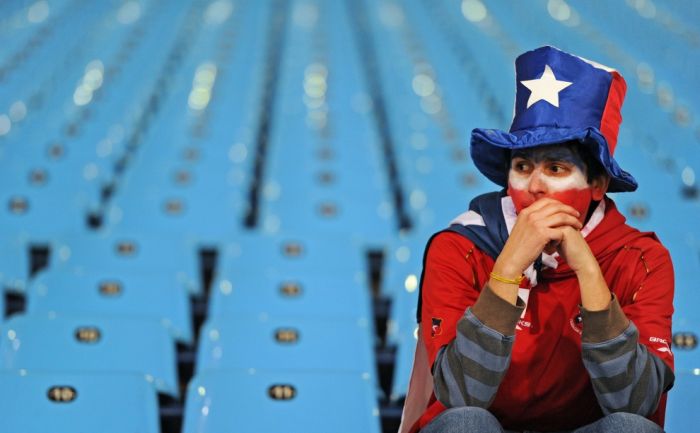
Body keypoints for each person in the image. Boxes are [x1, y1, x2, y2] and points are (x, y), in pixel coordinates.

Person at [398, 46, 675, 433]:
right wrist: (508, 268)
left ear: (597, 184)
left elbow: (637, 403)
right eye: (522, 167)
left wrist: (589, 275)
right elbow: (460, 395)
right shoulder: (460, 246)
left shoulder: (641, 258)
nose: (536, 186)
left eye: (556, 168)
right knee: (467, 422)